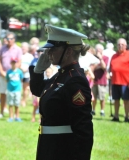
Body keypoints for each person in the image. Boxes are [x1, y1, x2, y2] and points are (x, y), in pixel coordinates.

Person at [29, 24, 93, 160]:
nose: (48, 53)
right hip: (50, 146)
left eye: (53, 49)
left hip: (63, 150)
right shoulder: (61, 75)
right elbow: (38, 89)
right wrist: (38, 71)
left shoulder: (75, 80)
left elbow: (83, 129)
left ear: (68, 51)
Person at [0, 32, 22, 118]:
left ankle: (14, 115)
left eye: (10, 39)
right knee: (2, 93)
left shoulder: (18, 49)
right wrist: (1, 71)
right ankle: (1, 112)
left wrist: (12, 72)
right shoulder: (2, 49)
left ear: (14, 39)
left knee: (13, 94)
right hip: (3, 74)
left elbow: (19, 62)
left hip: (13, 76)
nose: (8, 40)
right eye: (7, 39)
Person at [110, 38, 129, 122]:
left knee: (126, 100)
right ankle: (116, 116)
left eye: (122, 44)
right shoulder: (114, 56)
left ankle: (126, 116)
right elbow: (111, 67)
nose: (120, 46)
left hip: (125, 81)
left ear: (125, 46)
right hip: (115, 81)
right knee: (116, 99)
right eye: (118, 44)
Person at [91, 44, 108, 116]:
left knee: (102, 97)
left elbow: (104, 67)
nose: (98, 51)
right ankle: (93, 110)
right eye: (97, 49)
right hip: (94, 81)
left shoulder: (105, 57)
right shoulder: (92, 57)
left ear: (102, 50)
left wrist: (100, 59)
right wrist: (98, 67)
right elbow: (91, 68)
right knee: (93, 97)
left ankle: (102, 111)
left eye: (100, 49)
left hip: (102, 81)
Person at [6, 57, 23, 122]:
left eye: (15, 63)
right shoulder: (9, 72)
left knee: (17, 104)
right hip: (10, 90)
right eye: (12, 63)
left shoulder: (19, 72)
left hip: (17, 90)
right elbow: (7, 79)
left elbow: (21, 79)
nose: (14, 64)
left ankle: (17, 116)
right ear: (11, 63)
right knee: (10, 104)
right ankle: (10, 117)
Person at [20, 42, 34, 107]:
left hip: (27, 75)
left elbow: (32, 65)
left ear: (27, 48)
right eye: (22, 47)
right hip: (19, 74)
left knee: (25, 88)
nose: (23, 48)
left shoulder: (30, 56)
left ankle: (24, 100)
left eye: (25, 47)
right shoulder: (19, 55)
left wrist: (26, 69)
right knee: (19, 88)